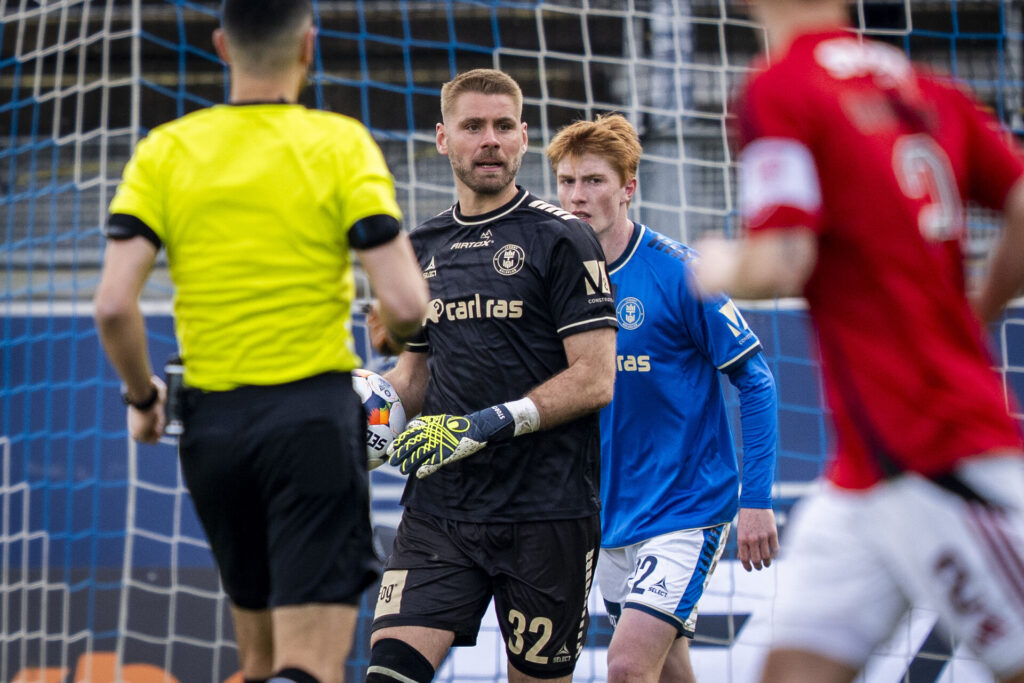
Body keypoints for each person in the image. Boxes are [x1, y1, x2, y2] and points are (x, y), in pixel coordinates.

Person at [92, 2, 428, 682]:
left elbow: (112, 305)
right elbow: (403, 302)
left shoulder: (166, 149)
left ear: (221, 46)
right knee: (308, 667)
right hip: (311, 422)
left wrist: (142, 396)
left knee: (259, 663)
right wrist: (401, 331)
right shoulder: (338, 143)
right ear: (309, 46)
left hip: (212, 429)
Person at [692, 1, 1024, 682]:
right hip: (865, 472)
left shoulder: (779, 85)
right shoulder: (923, 85)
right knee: (790, 671)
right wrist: (980, 308)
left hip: (934, 450)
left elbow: (784, 256)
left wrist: (722, 266)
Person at [362, 68, 618, 683]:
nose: (490, 141)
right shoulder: (419, 248)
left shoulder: (564, 237)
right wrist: (362, 415)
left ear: (525, 137)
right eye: (473, 126)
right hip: (442, 509)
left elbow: (595, 378)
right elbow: (414, 376)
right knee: (388, 673)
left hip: (548, 512)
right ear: (443, 137)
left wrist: (486, 424)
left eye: (504, 126)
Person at [546, 114, 779, 683]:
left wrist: (758, 499)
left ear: (629, 188)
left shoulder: (679, 273)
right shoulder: (551, 279)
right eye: (568, 181)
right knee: (669, 669)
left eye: (595, 181)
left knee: (626, 667)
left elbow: (757, 380)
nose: (578, 196)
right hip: (606, 514)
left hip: (685, 508)